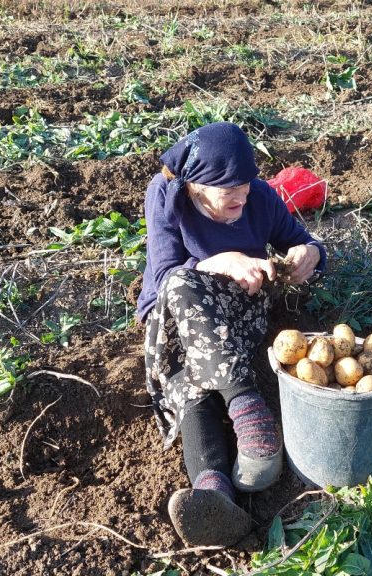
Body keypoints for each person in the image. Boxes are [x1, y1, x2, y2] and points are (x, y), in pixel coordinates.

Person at [136, 122, 326, 547]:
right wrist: (224, 259)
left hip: (238, 314)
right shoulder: (166, 197)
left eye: (246, 185)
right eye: (229, 192)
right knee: (188, 370)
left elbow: (304, 240)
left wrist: (309, 252)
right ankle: (215, 494)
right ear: (196, 187)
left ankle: (244, 435)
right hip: (174, 315)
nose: (242, 197)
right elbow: (166, 274)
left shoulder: (259, 198)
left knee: (198, 368)